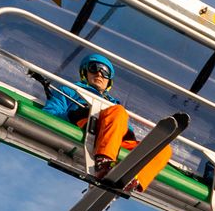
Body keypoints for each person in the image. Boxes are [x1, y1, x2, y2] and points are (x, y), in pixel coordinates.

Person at [38, 53, 171, 192]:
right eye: (94, 68)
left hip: (116, 138)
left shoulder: (114, 104)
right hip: (90, 125)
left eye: (105, 72)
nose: (100, 74)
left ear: (109, 81)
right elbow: (50, 112)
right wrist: (72, 117)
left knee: (163, 148)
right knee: (118, 111)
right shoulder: (70, 90)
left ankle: (134, 180)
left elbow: (124, 127)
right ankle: (104, 163)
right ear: (85, 72)